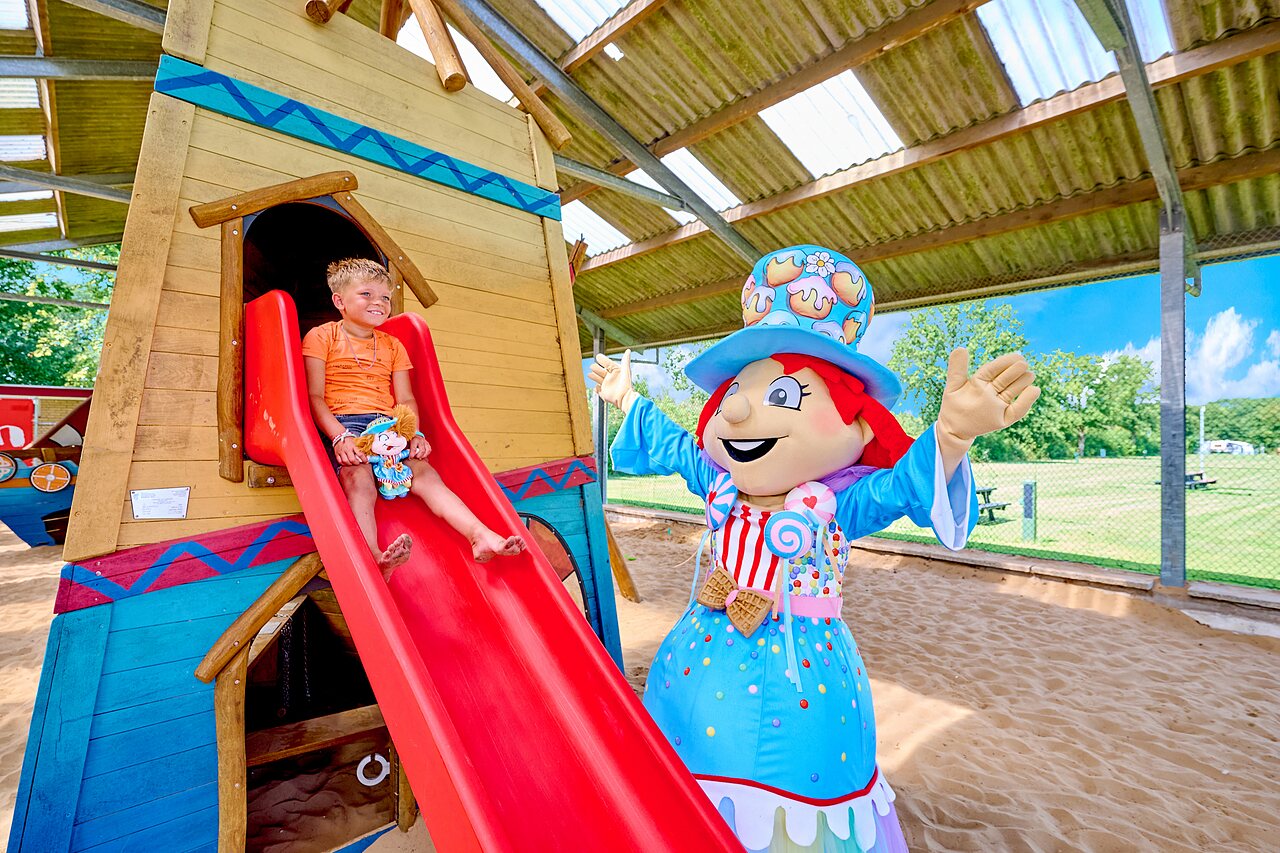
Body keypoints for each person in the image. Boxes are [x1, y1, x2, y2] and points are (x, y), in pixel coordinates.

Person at [589, 245, 1038, 852]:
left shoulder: (834, 505)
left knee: (793, 800)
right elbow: (674, 446)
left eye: (784, 396)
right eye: (732, 395)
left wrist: (951, 436)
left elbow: (902, 484)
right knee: (683, 777)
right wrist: (625, 398)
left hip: (803, 671)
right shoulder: (720, 485)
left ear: (858, 424)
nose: (740, 408)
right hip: (697, 656)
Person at [303, 257, 524, 577]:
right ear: (339, 301)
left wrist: (414, 433)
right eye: (366, 295)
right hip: (345, 423)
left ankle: (480, 536)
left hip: (386, 424)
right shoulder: (321, 337)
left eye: (384, 298)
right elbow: (314, 397)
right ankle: (374, 556)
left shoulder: (393, 346)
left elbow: (405, 398)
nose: (378, 303)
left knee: (423, 473)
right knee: (358, 476)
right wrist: (339, 435)